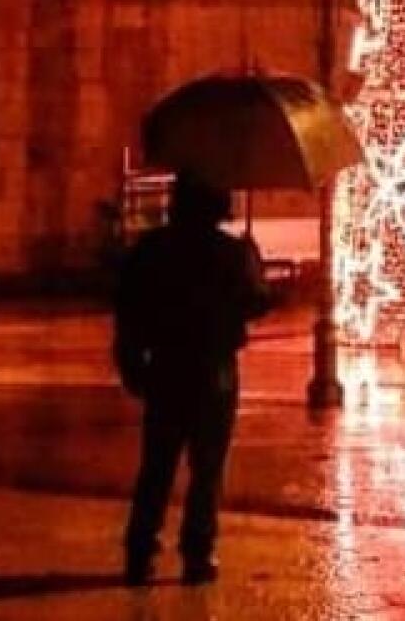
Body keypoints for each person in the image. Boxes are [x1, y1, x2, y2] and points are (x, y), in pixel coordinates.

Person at [114, 176, 270, 587]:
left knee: (156, 466)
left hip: (166, 367)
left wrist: (131, 363)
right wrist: (253, 263)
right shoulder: (230, 253)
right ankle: (197, 553)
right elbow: (256, 304)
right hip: (214, 372)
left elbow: (128, 309)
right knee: (207, 469)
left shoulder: (151, 250)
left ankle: (140, 551)